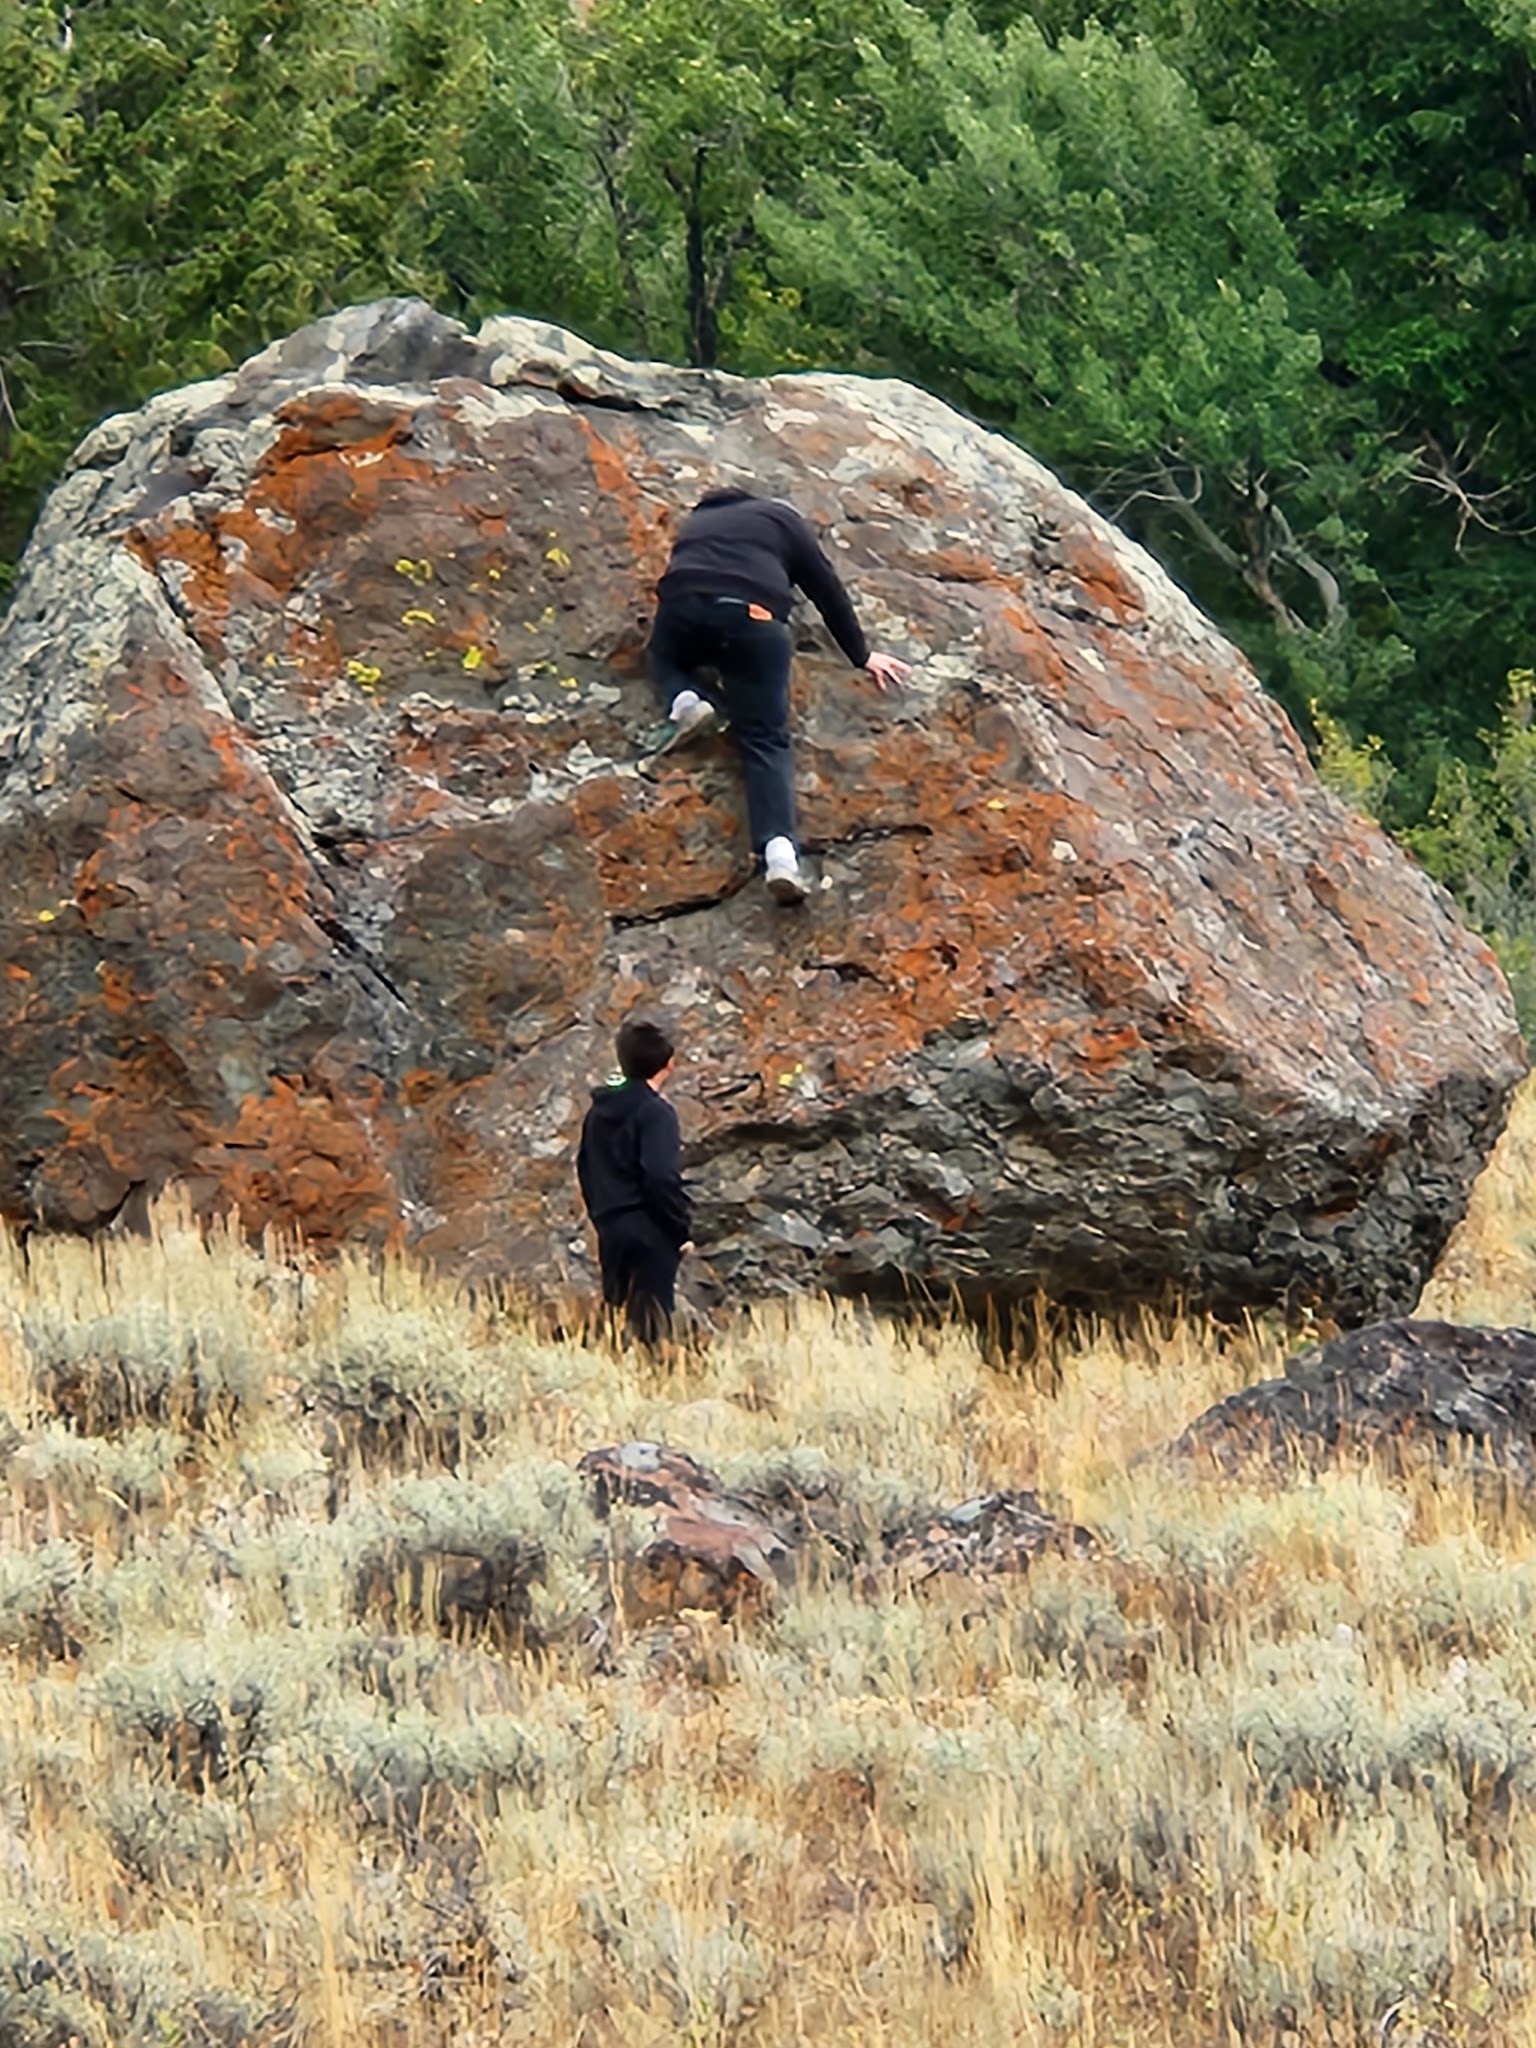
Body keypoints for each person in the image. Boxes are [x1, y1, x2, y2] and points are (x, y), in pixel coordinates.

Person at [645, 487, 911, 906]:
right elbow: (825, 587)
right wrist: (860, 655)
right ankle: (780, 857)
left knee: (661, 656)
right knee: (764, 740)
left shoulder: (695, 524)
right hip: (752, 618)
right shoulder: (779, 517)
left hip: (682, 609)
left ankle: (686, 701)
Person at [577, 1016, 693, 1345]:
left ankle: (612, 1372)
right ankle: (654, 1373)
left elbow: (585, 1166)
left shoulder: (597, 1113)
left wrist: (602, 1216)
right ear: (668, 1064)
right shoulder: (656, 1113)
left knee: (616, 1318)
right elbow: (660, 1175)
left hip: (610, 1227)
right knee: (652, 1325)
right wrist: (678, 1228)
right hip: (649, 1228)